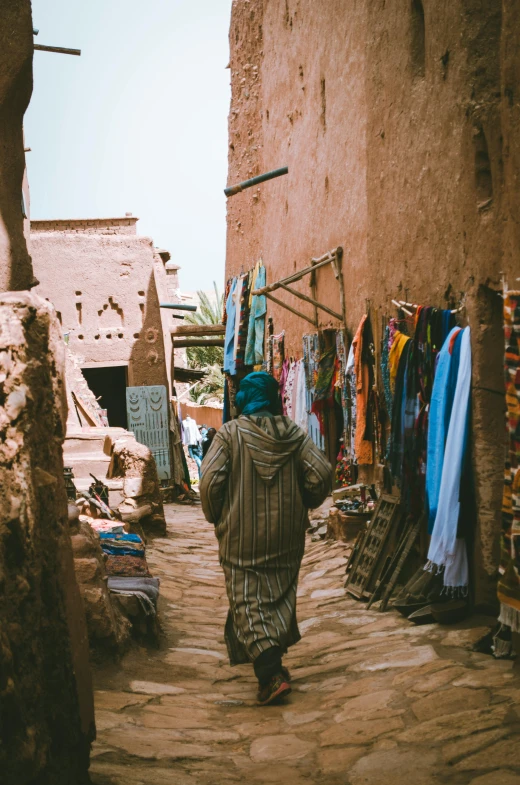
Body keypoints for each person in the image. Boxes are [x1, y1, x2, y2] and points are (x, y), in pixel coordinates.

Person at [200, 372, 332, 705]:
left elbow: (209, 483)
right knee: (278, 594)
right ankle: (273, 661)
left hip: (241, 538)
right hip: (286, 538)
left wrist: (218, 515)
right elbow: (321, 473)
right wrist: (304, 500)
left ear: (243, 400)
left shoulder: (230, 435)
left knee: (247, 599)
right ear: (274, 399)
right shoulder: (294, 435)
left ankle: (269, 674)